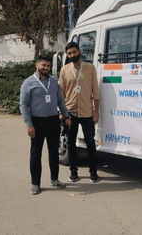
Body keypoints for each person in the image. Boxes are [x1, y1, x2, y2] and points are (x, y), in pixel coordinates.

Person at [19, 54, 72, 195]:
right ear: (37, 65)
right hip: (37, 122)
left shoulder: (54, 82)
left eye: (48, 66)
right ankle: (35, 183)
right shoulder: (28, 83)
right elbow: (23, 105)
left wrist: (66, 115)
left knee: (54, 152)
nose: (46, 68)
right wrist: (29, 125)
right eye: (43, 65)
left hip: (53, 120)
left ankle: (54, 179)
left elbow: (60, 100)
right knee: (35, 153)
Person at [59, 42, 101, 183]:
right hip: (70, 112)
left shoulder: (90, 68)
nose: (72, 55)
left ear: (79, 51)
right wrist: (61, 112)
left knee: (90, 142)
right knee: (71, 143)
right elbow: (61, 93)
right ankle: (73, 172)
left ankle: (93, 172)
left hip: (87, 111)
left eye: (74, 52)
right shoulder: (64, 70)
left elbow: (95, 91)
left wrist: (96, 111)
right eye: (69, 53)